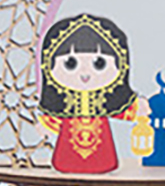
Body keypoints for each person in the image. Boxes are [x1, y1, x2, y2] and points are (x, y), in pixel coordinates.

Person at [38, 12, 136, 174]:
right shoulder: (64, 103)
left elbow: (121, 111)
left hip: (103, 155)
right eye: (70, 63)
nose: (85, 73)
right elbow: (56, 119)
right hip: (66, 154)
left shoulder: (106, 101)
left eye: (99, 63)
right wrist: (46, 126)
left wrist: (138, 109)